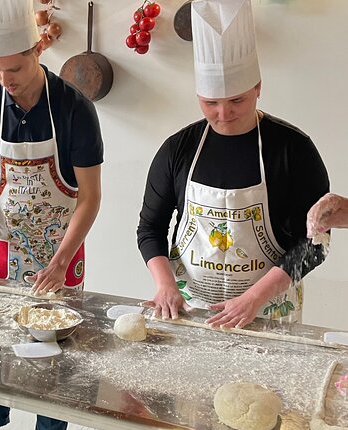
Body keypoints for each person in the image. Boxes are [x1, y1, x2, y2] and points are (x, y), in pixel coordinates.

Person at [0, 0, 103, 430]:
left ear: (38, 48)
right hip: (3, 244)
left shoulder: (75, 110)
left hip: (62, 245)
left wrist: (58, 262)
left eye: (13, 68)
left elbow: (90, 198)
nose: (5, 81)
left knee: (55, 352)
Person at [137, 0, 329, 329]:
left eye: (236, 100)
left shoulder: (293, 149)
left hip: (269, 311)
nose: (223, 115)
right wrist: (165, 285)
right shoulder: (178, 149)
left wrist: (253, 298)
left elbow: (315, 244)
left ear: (257, 88)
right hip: (191, 310)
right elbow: (150, 228)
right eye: (210, 103)